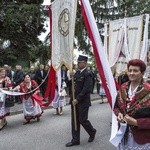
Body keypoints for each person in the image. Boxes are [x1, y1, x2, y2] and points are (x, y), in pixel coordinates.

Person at [114, 59, 150, 149]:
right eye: (130, 70)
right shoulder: (123, 87)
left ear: (142, 73)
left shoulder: (148, 90)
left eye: (135, 71)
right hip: (124, 135)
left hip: (142, 138)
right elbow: (116, 107)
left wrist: (136, 122)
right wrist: (119, 114)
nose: (131, 73)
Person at [66, 55, 96, 147]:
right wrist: (70, 78)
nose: (78, 64)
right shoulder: (76, 73)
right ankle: (75, 139)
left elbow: (87, 89)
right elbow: (70, 85)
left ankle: (92, 131)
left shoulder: (88, 74)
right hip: (74, 101)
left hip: (82, 101)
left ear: (84, 63)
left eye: (80, 62)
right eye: (77, 62)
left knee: (82, 120)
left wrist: (78, 99)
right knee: (74, 120)